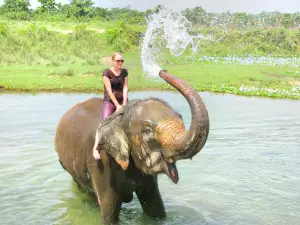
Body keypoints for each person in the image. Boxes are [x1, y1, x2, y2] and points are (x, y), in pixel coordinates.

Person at [92, 52, 129, 160]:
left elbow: (125, 87)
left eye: (122, 61)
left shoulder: (125, 72)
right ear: (113, 61)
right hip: (110, 102)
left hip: (123, 100)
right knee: (104, 123)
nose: (120, 63)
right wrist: (117, 105)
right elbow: (108, 90)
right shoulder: (107, 73)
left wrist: (125, 102)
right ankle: (95, 148)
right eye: (118, 61)